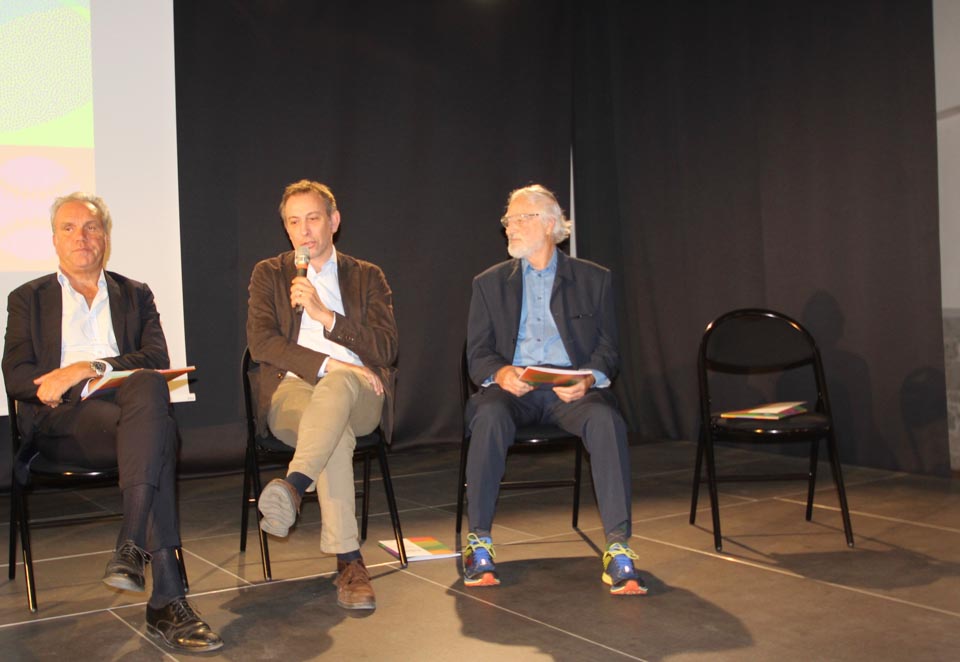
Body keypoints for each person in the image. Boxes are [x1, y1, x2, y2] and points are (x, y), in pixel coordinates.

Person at [1, 193, 223, 651]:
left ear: (106, 236)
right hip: (62, 424)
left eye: (92, 227)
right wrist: (65, 380)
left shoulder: (135, 293)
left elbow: (156, 357)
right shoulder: (28, 298)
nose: (81, 237)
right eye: (69, 228)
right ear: (54, 239)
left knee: (148, 389)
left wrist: (88, 367)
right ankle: (165, 596)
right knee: (157, 432)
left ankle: (133, 550)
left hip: (128, 416)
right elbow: (18, 376)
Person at [463, 184, 645, 596]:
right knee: (488, 416)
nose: (509, 227)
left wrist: (588, 378)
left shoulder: (594, 279)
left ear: (548, 225)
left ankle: (618, 547)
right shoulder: (489, 284)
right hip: (514, 390)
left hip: (570, 388)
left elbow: (609, 349)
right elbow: (478, 354)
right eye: (507, 220)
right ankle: (479, 542)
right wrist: (501, 372)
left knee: (606, 420)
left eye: (520, 218)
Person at [247, 179, 398, 611]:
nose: (304, 231)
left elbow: (386, 348)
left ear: (334, 221)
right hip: (292, 389)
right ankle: (349, 561)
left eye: (313, 218)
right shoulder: (269, 273)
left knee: (337, 389)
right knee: (335, 432)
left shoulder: (367, 276)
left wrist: (326, 316)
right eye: (294, 222)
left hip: (360, 391)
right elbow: (262, 343)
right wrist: (332, 363)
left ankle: (294, 485)